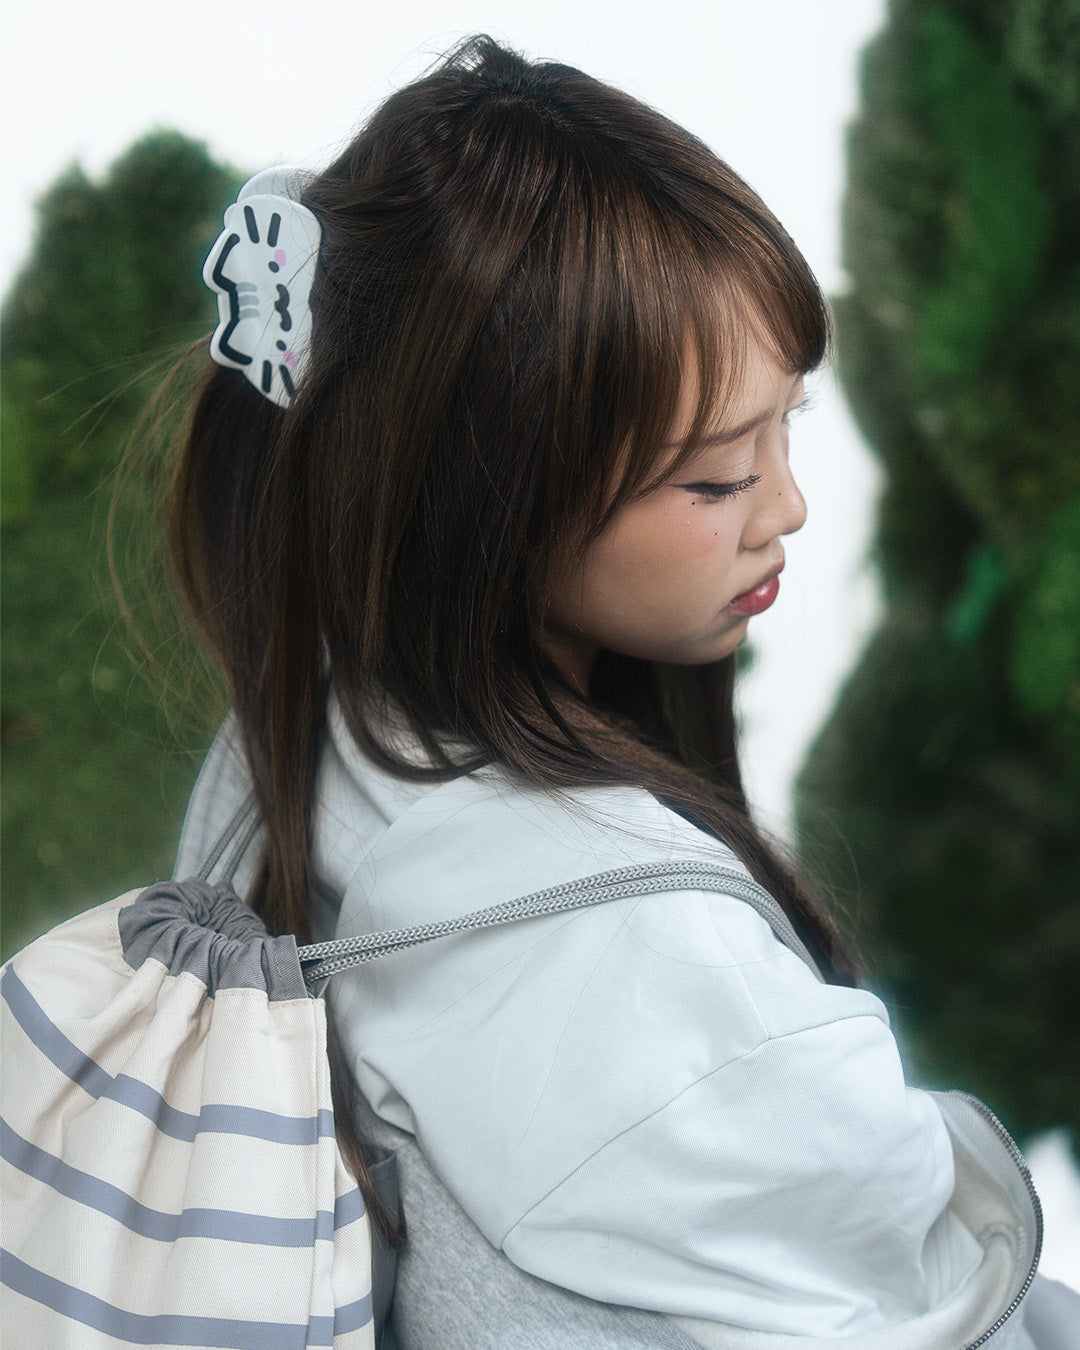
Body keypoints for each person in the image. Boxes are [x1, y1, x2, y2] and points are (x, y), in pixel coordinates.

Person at [168, 35, 1074, 1349]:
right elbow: (928, 1294)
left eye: (790, 424)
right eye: (715, 477)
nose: (787, 508)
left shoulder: (293, 746)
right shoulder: (644, 957)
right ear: (482, 500)